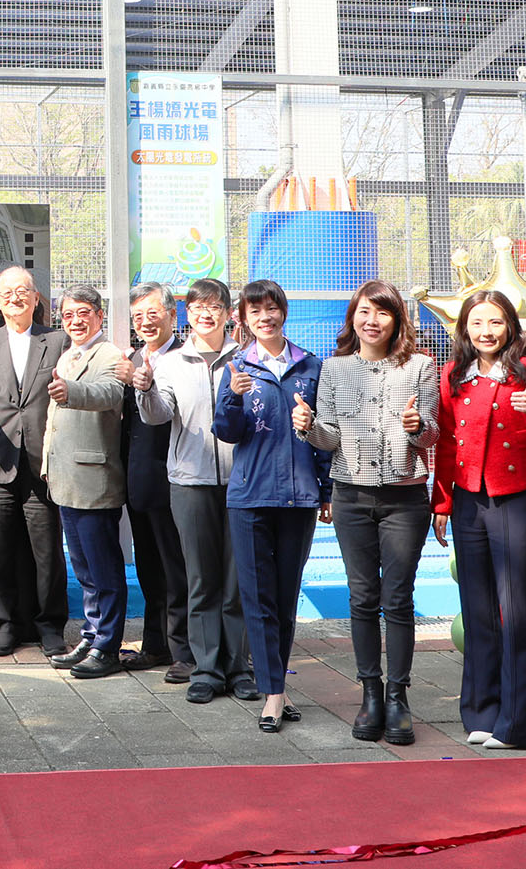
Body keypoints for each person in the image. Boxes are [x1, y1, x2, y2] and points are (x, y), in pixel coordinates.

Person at [295, 280, 438, 745]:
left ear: (397, 320)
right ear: (352, 318)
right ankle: (370, 694)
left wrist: (417, 427)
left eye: (382, 312)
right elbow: (330, 437)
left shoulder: (421, 366)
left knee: (397, 598)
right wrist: (308, 427)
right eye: (364, 312)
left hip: (404, 498)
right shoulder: (334, 369)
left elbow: (432, 435)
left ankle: (398, 698)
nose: (372, 321)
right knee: (361, 597)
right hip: (351, 497)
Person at [430, 289, 526, 750]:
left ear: (510, 326)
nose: (486, 332)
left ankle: (518, 724)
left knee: (517, 611)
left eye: (496, 322)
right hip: (468, 501)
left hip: (513, 499)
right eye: (477, 323)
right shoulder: (453, 374)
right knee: (477, 610)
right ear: (464, 328)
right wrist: (442, 503)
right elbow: (446, 441)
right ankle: (481, 714)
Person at [214, 278, 329, 732]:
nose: (265, 317)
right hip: (249, 498)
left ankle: (275, 686)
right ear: (243, 318)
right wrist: (232, 395)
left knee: (284, 599)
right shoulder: (236, 366)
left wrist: (326, 491)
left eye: (272, 308)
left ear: (284, 312)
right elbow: (227, 431)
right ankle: (274, 694)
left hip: (299, 497)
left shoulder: (310, 366)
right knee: (257, 598)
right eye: (255, 310)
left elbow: (324, 437)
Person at [139, 277, 255, 704]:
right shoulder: (171, 362)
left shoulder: (247, 357)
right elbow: (157, 415)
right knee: (201, 580)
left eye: (215, 306)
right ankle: (206, 669)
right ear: (187, 314)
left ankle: (238, 666)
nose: (206, 314)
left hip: (242, 482)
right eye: (198, 307)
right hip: (189, 483)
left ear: (228, 313)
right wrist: (145, 388)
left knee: (237, 580)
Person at [0, 266, 71, 656]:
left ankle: (50, 626)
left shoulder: (56, 341)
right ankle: (5, 625)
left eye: (22, 291)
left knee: (47, 552)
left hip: (42, 464)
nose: (15, 298)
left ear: (36, 298)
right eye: (7, 293)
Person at [40, 286, 128, 679]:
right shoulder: (68, 354)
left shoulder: (109, 354)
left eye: (83, 313)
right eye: (68, 315)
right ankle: (91, 638)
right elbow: (54, 420)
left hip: (94, 478)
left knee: (104, 570)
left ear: (99, 316)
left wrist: (71, 391)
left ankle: (107, 647)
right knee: (85, 570)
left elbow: (109, 393)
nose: (75, 321)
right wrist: (47, 462)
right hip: (65, 478)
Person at [118, 281, 194, 683]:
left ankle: (185, 651)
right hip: (139, 481)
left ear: (172, 315)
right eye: (138, 316)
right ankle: (155, 643)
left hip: (176, 478)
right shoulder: (131, 359)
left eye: (153, 313)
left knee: (176, 568)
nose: (145, 322)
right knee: (148, 568)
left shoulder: (186, 359)